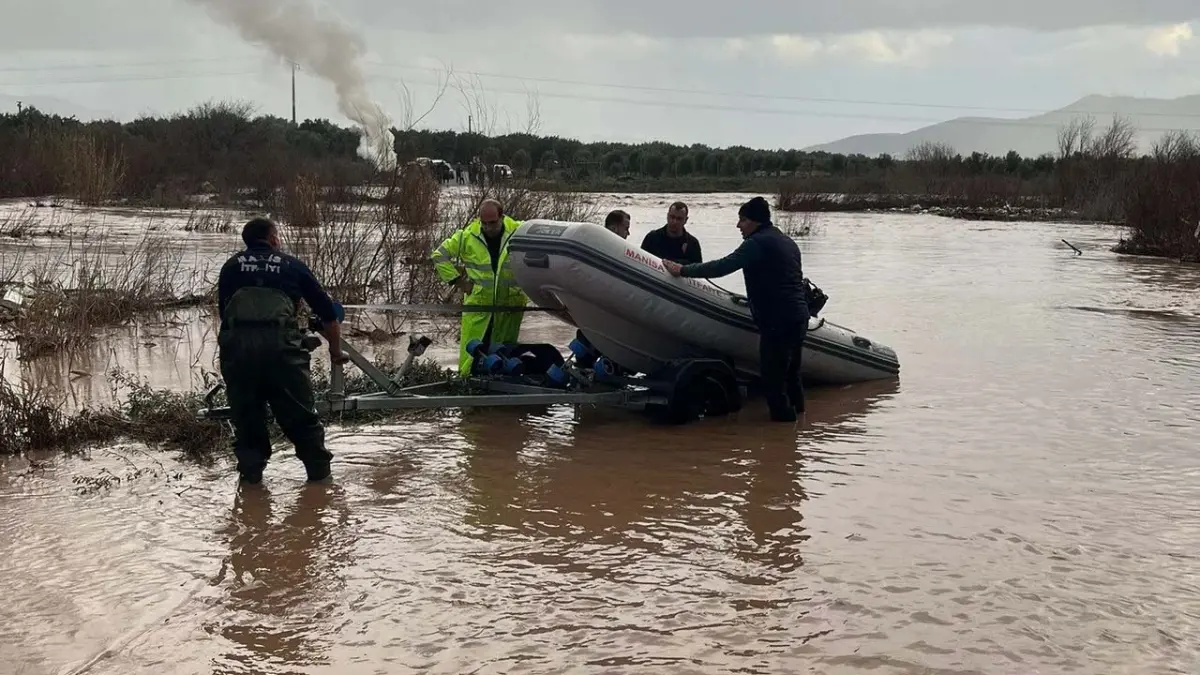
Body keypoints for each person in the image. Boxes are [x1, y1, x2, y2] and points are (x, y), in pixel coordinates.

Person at [216, 217, 347, 485]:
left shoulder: (230, 267)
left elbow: (224, 314)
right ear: (273, 238)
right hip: (283, 355)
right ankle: (321, 492)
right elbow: (329, 318)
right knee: (303, 422)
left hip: (239, 356)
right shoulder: (292, 266)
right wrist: (335, 351)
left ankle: (251, 498)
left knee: (248, 424)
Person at [661, 196, 809, 423]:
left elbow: (723, 266)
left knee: (773, 380)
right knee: (791, 375)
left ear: (754, 222)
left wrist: (682, 270)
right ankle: (800, 429)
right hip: (799, 317)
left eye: (742, 220)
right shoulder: (786, 241)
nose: (738, 225)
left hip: (776, 320)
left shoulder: (756, 243)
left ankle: (782, 438)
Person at [431, 199, 529, 375]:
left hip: (509, 306)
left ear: (502, 217)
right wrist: (459, 282)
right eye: (484, 223)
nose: (488, 227)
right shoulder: (467, 236)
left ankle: (500, 384)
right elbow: (439, 255)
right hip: (478, 305)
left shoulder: (519, 231)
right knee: (472, 351)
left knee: (504, 351)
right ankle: (467, 385)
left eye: (492, 223)